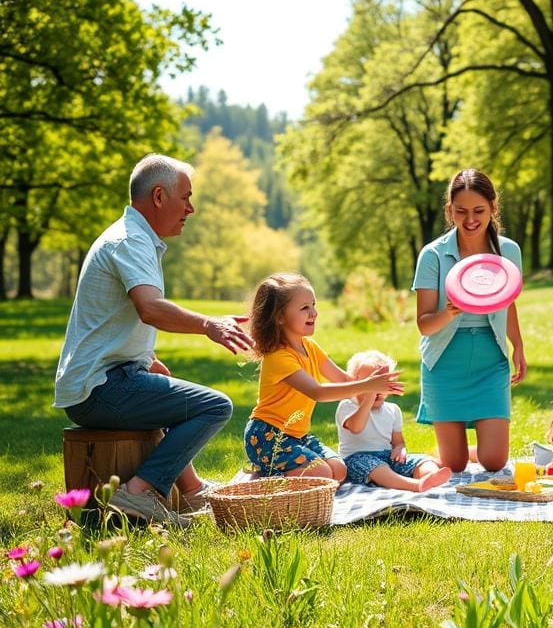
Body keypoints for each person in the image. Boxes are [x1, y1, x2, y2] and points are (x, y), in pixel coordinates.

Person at [54, 153, 256, 527]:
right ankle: (137, 493)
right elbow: (150, 308)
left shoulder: (134, 239)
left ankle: (193, 492)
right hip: (99, 388)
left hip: (107, 379)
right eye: (186, 198)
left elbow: (118, 319)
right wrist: (209, 325)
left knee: (175, 398)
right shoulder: (130, 241)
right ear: (159, 196)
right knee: (215, 406)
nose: (190, 209)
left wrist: (147, 359)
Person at [412, 168, 526, 473]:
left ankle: (478, 445)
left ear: (493, 208)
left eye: (479, 210)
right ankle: (441, 450)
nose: (470, 219)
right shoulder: (433, 255)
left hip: (491, 360)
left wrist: (518, 347)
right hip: (445, 361)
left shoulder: (508, 251)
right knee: (455, 464)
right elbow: (424, 324)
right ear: (450, 210)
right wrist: (449, 312)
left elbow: (508, 304)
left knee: (494, 461)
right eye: (460, 211)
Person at [244, 273, 403, 480]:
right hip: (267, 437)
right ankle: (265, 478)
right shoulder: (278, 357)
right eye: (304, 308)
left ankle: (277, 473)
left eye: (313, 305)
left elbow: (345, 381)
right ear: (280, 317)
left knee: (338, 470)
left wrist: (376, 387)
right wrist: (367, 384)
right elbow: (318, 392)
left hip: (297, 436)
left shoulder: (309, 346)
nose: (314, 313)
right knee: (321, 473)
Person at [336, 350, 452, 492]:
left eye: (382, 383)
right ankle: (414, 485)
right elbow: (356, 427)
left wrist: (399, 449)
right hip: (355, 459)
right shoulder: (348, 405)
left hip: (386, 456)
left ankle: (429, 477)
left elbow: (398, 442)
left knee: (424, 460)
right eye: (372, 383)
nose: (377, 389)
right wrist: (370, 397)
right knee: (377, 467)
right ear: (356, 383)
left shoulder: (393, 410)